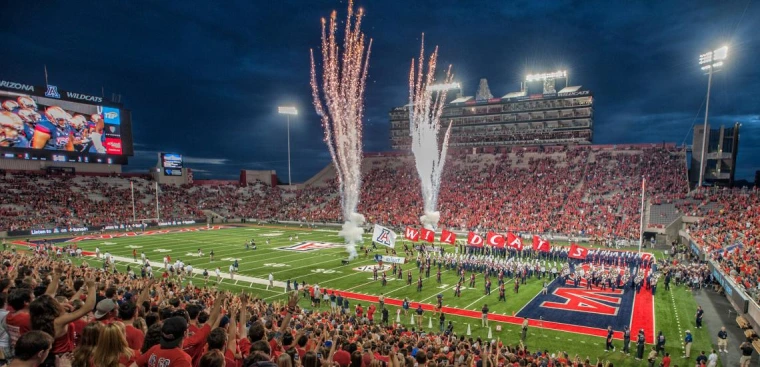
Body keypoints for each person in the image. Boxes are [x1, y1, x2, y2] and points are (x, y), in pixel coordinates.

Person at [30, 277, 97, 366]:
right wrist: (92, 286)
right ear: (52, 307)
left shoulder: (37, 318)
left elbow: (49, 294)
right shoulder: (58, 321)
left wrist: (57, 275)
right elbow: (88, 307)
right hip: (61, 358)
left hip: (50, 356)